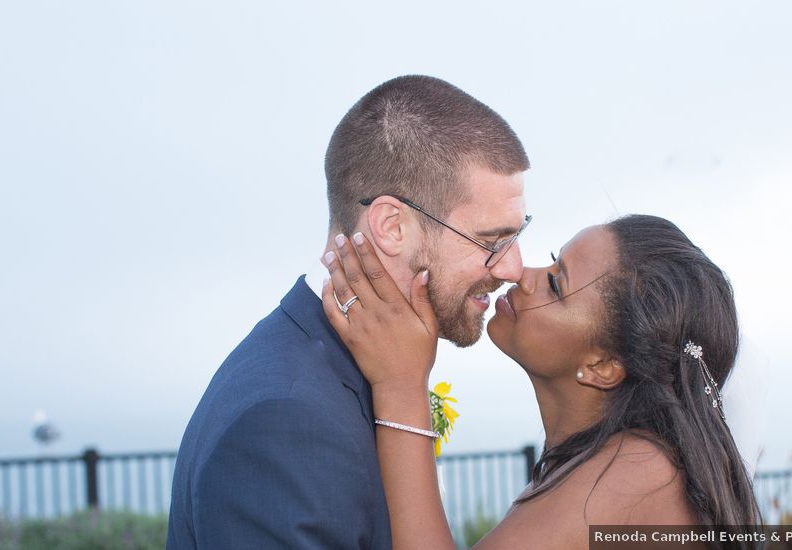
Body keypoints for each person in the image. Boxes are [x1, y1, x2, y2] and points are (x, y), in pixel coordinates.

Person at [166, 75, 531, 549]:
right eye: (491, 241)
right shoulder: (286, 422)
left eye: (517, 235)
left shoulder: (345, 371)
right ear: (391, 227)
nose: (516, 267)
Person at [322, 215, 762, 549]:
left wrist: (401, 387)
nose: (520, 275)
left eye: (555, 283)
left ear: (604, 364)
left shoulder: (640, 471)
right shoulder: (598, 463)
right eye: (552, 262)